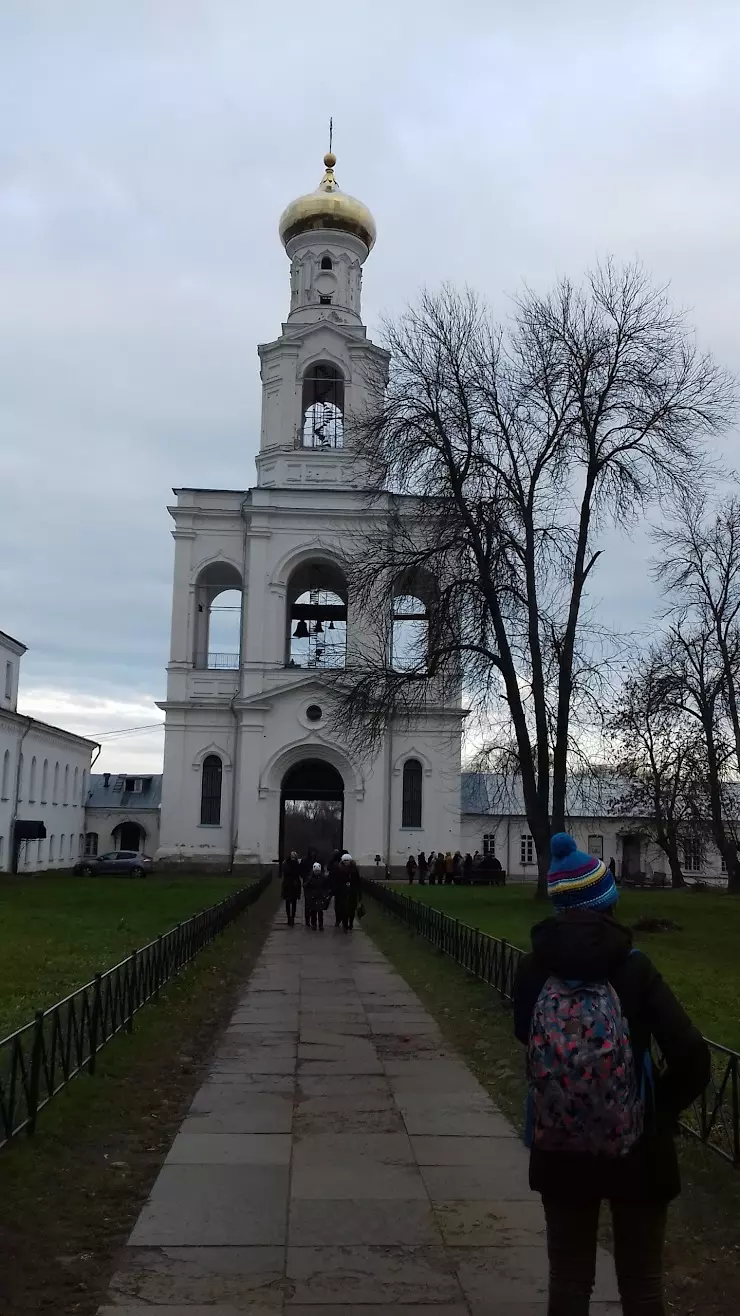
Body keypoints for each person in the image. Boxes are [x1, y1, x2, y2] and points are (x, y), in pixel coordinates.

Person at [513, 832, 710, 1316]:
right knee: (642, 1284)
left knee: (569, 1278)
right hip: (638, 1150)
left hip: (559, 1144)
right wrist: (657, 1114)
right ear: (608, 903)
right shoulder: (635, 970)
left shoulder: (534, 971)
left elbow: (526, 1038)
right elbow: (692, 1056)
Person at [334, 852, 361, 931]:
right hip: (342, 892)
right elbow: (337, 881)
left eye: (347, 860)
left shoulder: (354, 870)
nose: (346, 862)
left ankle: (351, 923)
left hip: (352, 892)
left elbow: (357, 881)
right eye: (344, 860)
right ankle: (345, 925)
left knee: (351, 909)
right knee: (343, 910)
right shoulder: (339, 869)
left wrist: (358, 892)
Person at [303, 860, 327, 930]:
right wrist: (308, 894)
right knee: (313, 911)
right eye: (316, 871)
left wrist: (325, 894)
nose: (317, 872)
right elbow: (305, 886)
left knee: (320, 912)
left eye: (318, 871)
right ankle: (314, 924)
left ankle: (320, 924)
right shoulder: (310, 878)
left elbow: (326, 887)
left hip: (320, 896)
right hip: (312, 896)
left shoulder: (323, 878)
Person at [281, 850, 301, 926]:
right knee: (288, 902)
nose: (293, 857)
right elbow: (285, 872)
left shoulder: (297, 864)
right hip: (288, 884)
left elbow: (299, 873)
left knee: (294, 902)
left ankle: (292, 917)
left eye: (294, 856)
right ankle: (289, 918)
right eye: (292, 856)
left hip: (295, 885)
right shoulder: (286, 863)